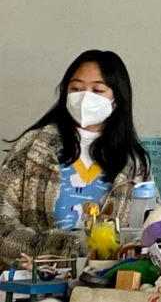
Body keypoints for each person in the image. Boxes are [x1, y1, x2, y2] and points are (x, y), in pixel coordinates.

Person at [0, 51, 152, 267]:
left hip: (104, 288)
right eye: (76, 88)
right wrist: (63, 247)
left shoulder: (133, 163)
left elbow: (149, 230)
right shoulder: (34, 148)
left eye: (97, 90)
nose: (84, 97)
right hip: (38, 287)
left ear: (117, 99)